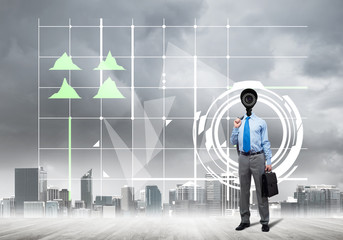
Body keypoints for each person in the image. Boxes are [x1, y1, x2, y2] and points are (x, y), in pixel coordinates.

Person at [230, 89, 272, 232]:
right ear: (243, 101)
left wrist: (269, 161)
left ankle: (265, 221)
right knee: (244, 191)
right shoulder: (239, 122)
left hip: (258, 157)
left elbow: (265, 142)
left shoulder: (261, 122)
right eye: (246, 98)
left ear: (253, 100)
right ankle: (244, 220)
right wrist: (236, 128)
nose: (248, 100)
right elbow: (233, 141)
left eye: (250, 98)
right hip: (243, 158)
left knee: (262, 191)